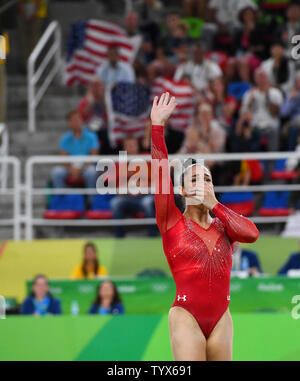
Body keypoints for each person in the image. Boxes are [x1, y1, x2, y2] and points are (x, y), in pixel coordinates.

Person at [150, 92, 259, 361]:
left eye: (207, 179)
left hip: (222, 318)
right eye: (195, 178)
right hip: (186, 315)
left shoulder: (225, 225)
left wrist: (216, 205)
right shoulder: (171, 220)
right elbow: (160, 172)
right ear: (183, 190)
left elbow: (252, 234)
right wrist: (157, 127)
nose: (203, 183)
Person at [110, 135, 156, 238]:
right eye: (128, 145)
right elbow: (118, 191)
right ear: (124, 148)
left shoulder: (147, 158)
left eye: (133, 145)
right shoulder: (120, 163)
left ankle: (153, 235)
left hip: (145, 196)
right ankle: (119, 237)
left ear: (137, 146)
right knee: (115, 203)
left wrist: (140, 181)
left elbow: (154, 183)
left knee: (147, 203)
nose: (131, 148)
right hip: (127, 197)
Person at [50, 110, 99, 204]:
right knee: (56, 172)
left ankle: (91, 202)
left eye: (79, 119)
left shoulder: (91, 136)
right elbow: (63, 158)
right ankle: (61, 200)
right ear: (69, 123)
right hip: (70, 168)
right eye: (74, 120)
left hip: (86, 167)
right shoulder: (65, 138)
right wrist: (71, 169)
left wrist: (80, 169)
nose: (77, 122)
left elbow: (93, 156)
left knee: (92, 172)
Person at [240, 68, 283, 152]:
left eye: (263, 76)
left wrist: (268, 96)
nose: (261, 79)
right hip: (254, 126)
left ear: (267, 78)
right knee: (247, 132)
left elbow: (274, 113)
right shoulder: (249, 94)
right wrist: (250, 103)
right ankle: (253, 162)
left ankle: (272, 162)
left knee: (273, 132)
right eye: (259, 77)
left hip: (271, 126)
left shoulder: (275, 93)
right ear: (255, 79)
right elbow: (243, 114)